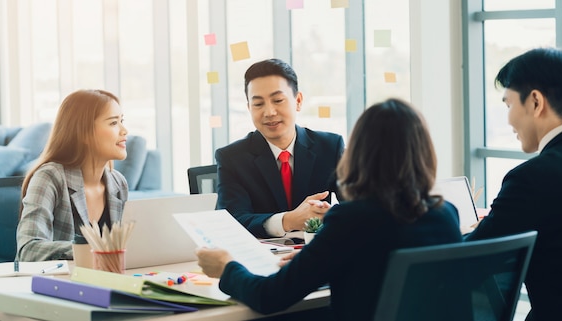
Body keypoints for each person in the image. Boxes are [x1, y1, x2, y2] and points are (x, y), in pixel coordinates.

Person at [197, 99, 463, 320]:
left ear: (359, 153)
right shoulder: (446, 214)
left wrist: (227, 266)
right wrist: (316, 259)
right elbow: (375, 266)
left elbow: (269, 297)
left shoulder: (352, 219)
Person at [464, 48, 562, 321]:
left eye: (508, 105)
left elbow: (470, 261)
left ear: (535, 101)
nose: (508, 120)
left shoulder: (532, 177)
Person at [215, 58, 344, 239]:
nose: (269, 112)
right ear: (249, 108)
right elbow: (232, 220)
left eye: (278, 100)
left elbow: (359, 206)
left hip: (316, 257)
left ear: (298, 101)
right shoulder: (232, 158)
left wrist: (331, 215)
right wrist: (288, 220)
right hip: (260, 260)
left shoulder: (330, 147)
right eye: (258, 104)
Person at [16, 89, 129, 262]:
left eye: (122, 121)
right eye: (113, 123)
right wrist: (93, 249)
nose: (124, 130)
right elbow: (28, 250)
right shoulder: (50, 177)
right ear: (84, 132)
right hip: (56, 285)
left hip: (103, 284)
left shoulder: (118, 183)